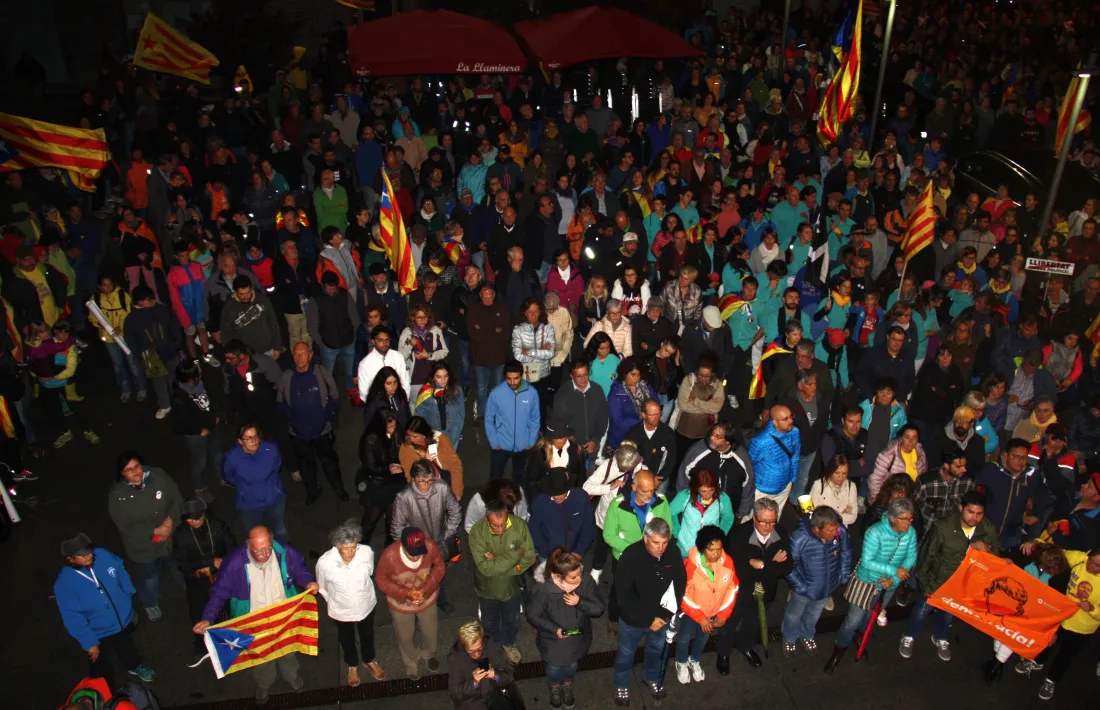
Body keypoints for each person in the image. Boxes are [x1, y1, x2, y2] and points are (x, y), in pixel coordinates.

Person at [193, 526, 318, 704]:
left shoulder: (286, 553)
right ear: (248, 545)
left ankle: (292, 676)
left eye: (268, 548)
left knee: (287, 649)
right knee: (260, 654)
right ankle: (264, 682)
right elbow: (219, 593)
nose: (265, 553)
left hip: (283, 615)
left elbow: (299, 570)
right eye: (258, 550)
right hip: (254, 619)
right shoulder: (233, 563)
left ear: (272, 542)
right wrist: (208, 618)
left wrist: (308, 582)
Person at [900, 491, 1001, 662]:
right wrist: (926, 586)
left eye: (979, 514)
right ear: (961, 508)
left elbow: (997, 556)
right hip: (937, 580)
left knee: (948, 613)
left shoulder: (988, 528)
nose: (974, 518)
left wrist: (989, 550)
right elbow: (926, 557)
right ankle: (909, 635)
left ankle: (940, 637)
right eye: (970, 512)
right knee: (922, 610)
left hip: (963, 584)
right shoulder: (942, 527)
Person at [824, 498, 917, 672]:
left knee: (870, 616)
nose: (909, 523)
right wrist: (893, 571)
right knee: (853, 619)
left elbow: (910, 558)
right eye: (905, 519)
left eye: (910, 519)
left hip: (889, 584)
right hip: (867, 581)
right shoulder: (874, 533)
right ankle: (840, 648)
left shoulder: (910, 533)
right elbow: (867, 562)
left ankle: (860, 636)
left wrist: (893, 580)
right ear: (892, 518)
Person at [54, 533, 155, 683]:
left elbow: (119, 568)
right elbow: (72, 618)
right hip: (98, 631)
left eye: (89, 551)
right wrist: (89, 642)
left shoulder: (102, 555)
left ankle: (134, 666)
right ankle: (102, 687)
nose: (89, 556)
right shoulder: (64, 584)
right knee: (100, 661)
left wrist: (128, 591)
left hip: (123, 620)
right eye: (82, 555)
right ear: (70, 559)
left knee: (126, 646)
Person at [611, 518, 686, 706]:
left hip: (662, 617)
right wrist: (648, 619)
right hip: (633, 620)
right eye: (656, 542)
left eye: (664, 542)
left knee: (656, 650)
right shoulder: (630, 556)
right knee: (626, 653)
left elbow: (679, 584)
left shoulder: (673, 552)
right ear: (645, 538)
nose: (661, 548)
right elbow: (623, 596)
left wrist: (665, 615)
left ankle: (651, 677)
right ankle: (621, 683)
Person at [107, 451, 183, 622]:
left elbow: (176, 499)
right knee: (149, 578)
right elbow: (124, 525)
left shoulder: (159, 476)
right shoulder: (118, 495)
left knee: (180, 567)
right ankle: (150, 603)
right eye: (129, 470)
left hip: (171, 538)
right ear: (122, 473)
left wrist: (170, 520)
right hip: (144, 547)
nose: (135, 472)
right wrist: (154, 531)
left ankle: (190, 590)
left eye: (137, 467)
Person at [1016, 546, 1100, 700]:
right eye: (1090, 561)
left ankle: (1051, 680)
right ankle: (1038, 661)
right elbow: (1056, 553)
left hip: (1082, 627)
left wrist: (1093, 609)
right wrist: (1036, 542)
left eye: (1097, 566)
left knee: (1065, 655)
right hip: (1061, 616)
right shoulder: (1080, 558)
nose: (1090, 566)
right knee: (1047, 640)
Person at [527, 546, 606, 710]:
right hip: (553, 641)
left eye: (579, 573)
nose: (579, 579)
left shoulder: (585, 581)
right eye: (573, 577)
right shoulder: (544, 590)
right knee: (554, 667)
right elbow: (533, 615)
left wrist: (580, 602)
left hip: (578, 638)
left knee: (572, 665)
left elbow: (599, 608)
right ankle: (555, 687)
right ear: (557, 576)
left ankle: (567, 686)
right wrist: (553, 629)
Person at [316, 519, 386, 686]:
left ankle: (369, 659)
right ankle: (352, 665)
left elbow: (369, 571)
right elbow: (322, 586)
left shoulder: (366, 552)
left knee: (367, 634)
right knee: (346, 638)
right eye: (346, 549)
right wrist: (334, 600)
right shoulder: (325, 562)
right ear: (337, 547)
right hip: (341, 610)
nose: (351, 552)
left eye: (354, 547)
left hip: (365, 604)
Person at [469, 499, 537, 664]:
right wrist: (515, 555)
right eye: (495, 526)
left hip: (512, 585)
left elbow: (529, 556)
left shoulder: (519, 526)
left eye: (503, 525)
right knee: (488, 621)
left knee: (512, 619)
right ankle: (492, 644)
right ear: (486, 519)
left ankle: (508, 643)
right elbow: (485, 568)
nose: (499, 530)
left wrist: (508, 567)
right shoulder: (477, 532)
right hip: (487, 588)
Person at [276, 342, 346, 504]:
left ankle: (338, 488)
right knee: (306, 466)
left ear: (310, 355)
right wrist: (291, 419)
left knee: (329, 462)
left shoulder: (322, 373)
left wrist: (325, 418)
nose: (299, 357)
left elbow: (335, 397)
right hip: (298, 433)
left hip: (322, 431)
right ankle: (312, 491)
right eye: (296, 354)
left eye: (302, 353)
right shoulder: (286, 377)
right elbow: (280, 402)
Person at [781, 506, 853, 657]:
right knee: (794, 614)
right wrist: (801, 587)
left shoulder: (840, 532)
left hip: (828, 587)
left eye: (836, 529)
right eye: (830, 531)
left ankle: (806, 634)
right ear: (816, 530)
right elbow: (789, 567)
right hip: (804, 589)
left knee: (814, 613)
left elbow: (846, 552)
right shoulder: (799, 538)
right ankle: (789, 637)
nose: (835, 534)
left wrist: (843, 575)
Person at [375, 526, 445, 680]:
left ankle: (428, 654)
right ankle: (411, 662)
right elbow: (381, 580)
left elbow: (439, 567)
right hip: (400, 604)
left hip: (427, 598)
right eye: (412, 554)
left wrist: (426, 589)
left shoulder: (430, 546)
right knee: (405, 635)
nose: (416, 558)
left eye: (419, 553)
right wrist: (405, 593)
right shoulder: (390, 556)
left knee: (431, 630)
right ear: (402, 546)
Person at [390, 458, 462, 600]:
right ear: (413, 479)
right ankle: (426, 600)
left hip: (440, 543)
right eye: (421, 481)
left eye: (429, 481)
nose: (426, 485)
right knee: (421, 578)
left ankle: (440, 600)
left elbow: (455, 511)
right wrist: (411, 549)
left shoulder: (441, 487)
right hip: (418, 548)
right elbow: (397, 529)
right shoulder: (404, 497)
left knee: (440, 574)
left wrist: (447, 533)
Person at [172, 497, 234, 657]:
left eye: (197, 518)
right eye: (190, 519)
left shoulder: (218, 526)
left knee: (226, 608)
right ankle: (201, 643)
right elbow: (182, 564)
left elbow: (233, 550)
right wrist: (208, 563)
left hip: (221, 576)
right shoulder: (180, 535)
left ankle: (229, 638)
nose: (194, 522)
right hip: (197, 580)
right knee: (198, 611)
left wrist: (222, 564)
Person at [676, 524, 738, 684]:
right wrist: (700, 617)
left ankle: (694, 660)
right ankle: (681, 662)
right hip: (691, 613)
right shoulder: (690, 566)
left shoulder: (728, 563)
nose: (716, 554)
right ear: (703, 548)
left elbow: (733, 589)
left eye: (719, 549)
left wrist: (723, 614)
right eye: (711, 550)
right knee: (684, 638)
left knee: (702, 639)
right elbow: (682, 595)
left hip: (713, 613)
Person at [223, 423, 289, 543]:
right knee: (253, 533)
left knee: (279, 528)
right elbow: (228, 475)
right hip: (249, 504)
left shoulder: (270, 449)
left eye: (255, 436)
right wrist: (243, 486)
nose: (253, 441)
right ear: (240, 441)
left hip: (274, 499)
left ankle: (285, 553)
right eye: (248, 438)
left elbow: (277, 465)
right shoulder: (233, 457)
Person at [976, 437, 1046, 549]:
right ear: (1005, 455)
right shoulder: (990, 470)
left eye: (1024, 457)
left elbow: (1043, 497)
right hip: (985, 530)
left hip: (1013, 534)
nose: (1021, 461)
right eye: (1016, 457)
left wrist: (1036, 514)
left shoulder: (1032, 476)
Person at [123, 285, 181, 419]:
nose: (151, 301)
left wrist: (177, 343)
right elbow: (131, 340)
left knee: (175, 378)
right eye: (147, 299)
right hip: (152, 357)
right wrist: (142, 355)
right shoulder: (132, 320)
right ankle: (165, 405)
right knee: (159, 382)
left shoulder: (162, 310)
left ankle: (178, 400)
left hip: (170, 351)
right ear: (139, 302)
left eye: (151, 298)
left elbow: (174, 326)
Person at [171, 359, 224, 499]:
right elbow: (178, 424)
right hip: (197, 436)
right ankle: (199, 488)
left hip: (212, 427)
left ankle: (223, 477)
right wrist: (199, 431)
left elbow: (211, 400)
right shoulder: (180, 398)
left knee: (217, 454)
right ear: (189, 379)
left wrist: (216, 415)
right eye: (197, 372)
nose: (200, 372)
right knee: (200, 462)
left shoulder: (201, 385)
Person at [485, 361, 541, 484]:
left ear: (521, 376)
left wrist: (531, 442)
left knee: (519, 476)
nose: (512, 382)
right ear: (505, 376)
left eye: (516, 378)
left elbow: (535, 418)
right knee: (495, 477)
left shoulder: (532, 393)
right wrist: (495, 443)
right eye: (509, 378)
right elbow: (489, 419)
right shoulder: (496, 393)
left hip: (523, 445)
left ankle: (518, 501)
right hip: (501, 444)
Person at [358, 408, 407, 545]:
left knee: (393, 519)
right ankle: (362, 544)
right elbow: (370, 466)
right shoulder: (370, 440)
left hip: (395, 483)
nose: (392, 428)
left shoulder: (397, 432)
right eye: (389, 426)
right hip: (377, 485)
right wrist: (388, 469)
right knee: (371, 518)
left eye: (394, 425)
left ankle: (390, 547)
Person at [308, 271, 360, 398]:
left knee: (350, 371)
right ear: (323, 285)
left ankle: (351, 392)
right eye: (328, 287)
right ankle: (329, 395)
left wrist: (354, 336)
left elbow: (354, 317)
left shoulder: (344, 295)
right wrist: (321, 343)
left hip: (348, 342)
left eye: (333, 287)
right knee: (328, 374)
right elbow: (312, 325)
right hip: (328, 345)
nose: (331, 290)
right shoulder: (316, 300)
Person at [529, 467, 596, 563]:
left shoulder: (581, 498)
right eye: (552, 493)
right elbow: (534, 530)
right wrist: (545, 552)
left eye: (560, 493)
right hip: (548, 556)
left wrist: (579, 551)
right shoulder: (539, 502)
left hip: (574, 554)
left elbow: (588, 526)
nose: (556, 497)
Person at [447, 620, 517, 710]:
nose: (476, 654)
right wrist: (473, 683)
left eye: (479, 649)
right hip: (472, 703)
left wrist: (495, 676)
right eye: (471, 652)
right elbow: (455, 694)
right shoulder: (455, 659)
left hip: (496, 695)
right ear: (464, 646)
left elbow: (509, 676)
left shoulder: (492, 647)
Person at [399, 415, 465, 500]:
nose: (411, 439)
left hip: (447, 485)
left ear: (424, 435)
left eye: (415, 436)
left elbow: (455, 465)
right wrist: (426, 462)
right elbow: (411, 476)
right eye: (409, 436)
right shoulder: (406, 449)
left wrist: (456, 493)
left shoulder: (441, 439)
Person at [750, 404, 801, 509]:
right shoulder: (760, 442)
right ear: (775, 422)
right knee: (754, 519)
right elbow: (750, 464)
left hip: (785, 486)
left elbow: (795, 456)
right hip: (763, 490)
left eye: (791, 416)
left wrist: (792, 479)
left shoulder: (795, 432)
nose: (790, 421)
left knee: (775, 518)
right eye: (785, 419)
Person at [511, 296, 556, 413]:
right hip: (527, 374)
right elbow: (517, 355)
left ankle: (541, 428)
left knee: (541, 403)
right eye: (529, 311)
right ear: (525, 313)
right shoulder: (518, 330)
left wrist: (529, 351)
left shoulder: (548, 328)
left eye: (535, 311)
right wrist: (541, 352)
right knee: (526, 403)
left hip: (543, 373)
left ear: (540, 312)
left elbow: (550, 353)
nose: (533, 314)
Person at [625, 399, 677, 491]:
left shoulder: (667, 433)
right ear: (643, 415)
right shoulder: (633, 433)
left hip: (658, 477)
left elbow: (670, 459)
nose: (657, 417)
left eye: (658, 414)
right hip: (638, 477)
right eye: (652, 415)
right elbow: (628, 459)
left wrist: (660, 477)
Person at [607, 356, 657, 451]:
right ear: (624, 374)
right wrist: (645, 421)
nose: (636, 379)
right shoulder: (616, 393)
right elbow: (619, 422)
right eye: (633, 375)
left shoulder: (644, 385)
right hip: (623, 439)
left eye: (639, 375)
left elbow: (655, 402)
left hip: (642, 436)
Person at [868, 425, 928, 502]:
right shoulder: (888, 454)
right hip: (889, 499)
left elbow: (923, 479)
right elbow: (874, 480)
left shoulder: (921, 454)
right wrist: (877, 502)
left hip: (910, 500)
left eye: (914, 438)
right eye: (907, 437)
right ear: (901, 437)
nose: (910, 441)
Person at [414, 361, 466, 450]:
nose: (443, 380)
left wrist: (455, 434)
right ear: (433, 377)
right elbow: (419, 418)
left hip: (453, 434)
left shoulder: (456, 390)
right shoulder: (425, 393)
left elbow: (460, 415)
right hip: (432, 437)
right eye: (438, 377)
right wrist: (429, 437)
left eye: (446, 376)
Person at [357, 325, 412, 403]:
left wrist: (403, 401)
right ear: (373, 341)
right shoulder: (365, 364)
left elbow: (405, 381)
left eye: (387, 340)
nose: (384, 343)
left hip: (398, 402)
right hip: (377, 407)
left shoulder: (397, 357)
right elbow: (364, 392)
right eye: (380, 340)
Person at [810, 454, 859, 527]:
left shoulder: (851, 487)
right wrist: (841, 515)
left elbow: (853, 517)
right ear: (831, 471)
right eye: (837, 473)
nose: (841, 477)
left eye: (844, 473)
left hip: (840, 530)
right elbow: (812, 513)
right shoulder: (819, 485)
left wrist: (825, 515)